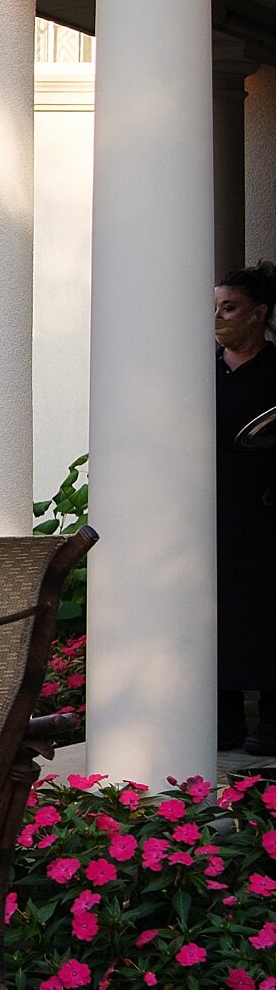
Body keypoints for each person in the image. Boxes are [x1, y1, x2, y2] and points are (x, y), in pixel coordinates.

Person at [214, 264, 274, 754]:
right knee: (217, 609)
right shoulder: (200, 370)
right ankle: (224, 719)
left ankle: (272, 721)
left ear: (259, 314)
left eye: (229, 307)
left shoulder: (274, 371)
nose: (219, 317)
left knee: (265, 608)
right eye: (215, 309)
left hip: (263, 506)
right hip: (212, 506)